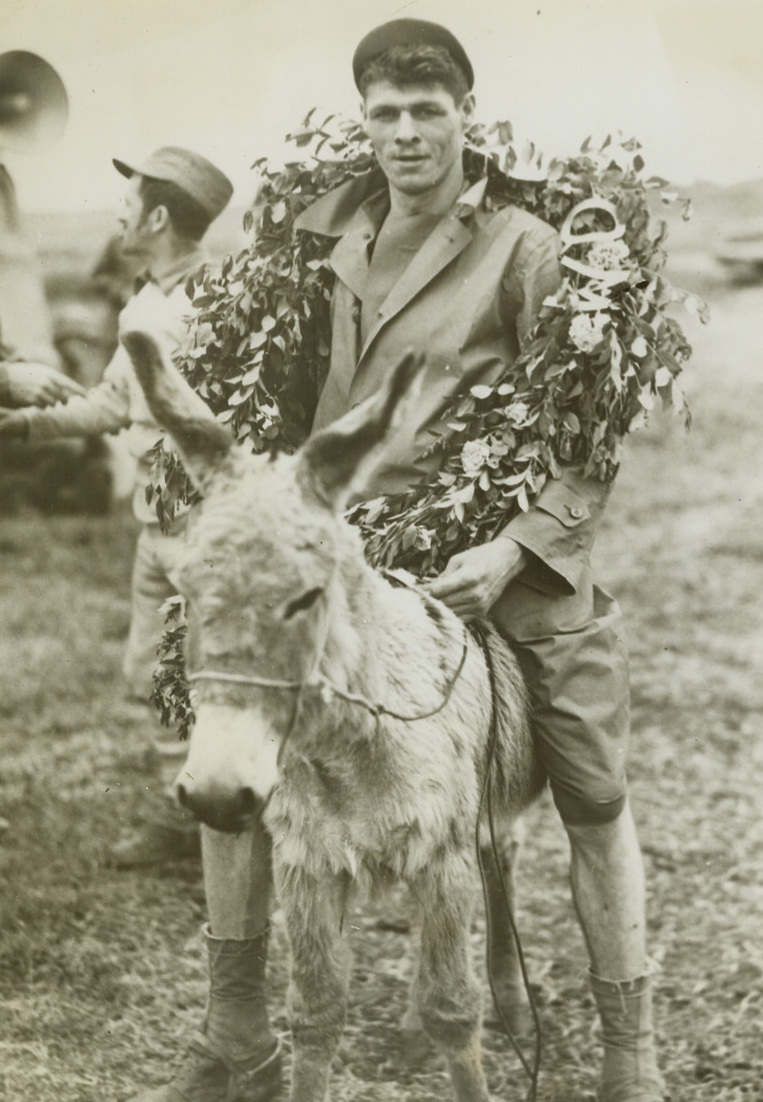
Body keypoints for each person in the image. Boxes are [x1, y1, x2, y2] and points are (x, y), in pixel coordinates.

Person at [130, 20, 664, 1102]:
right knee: (230, 710)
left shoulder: (526, 247)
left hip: (492, 559)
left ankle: (628, 1052)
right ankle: (238, 1028)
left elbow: (589, 438)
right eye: (386, 111)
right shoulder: (325, 246)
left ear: (468, 116)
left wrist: (513, 548)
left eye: (429, 111)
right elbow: (283, 405)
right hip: (348, 550)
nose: (408, 132)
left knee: (589, 782)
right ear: (363, 120)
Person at [0, 146, 234, 869]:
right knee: (154, 674)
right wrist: (26, 425)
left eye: (129, 201)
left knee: (211, 677)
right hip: (153, 528)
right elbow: (110, 404)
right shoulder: (143, 302)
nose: (118, 212)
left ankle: (227, 826)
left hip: (204, 528)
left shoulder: (220, 304)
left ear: (159, 216)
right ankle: (183, 823)